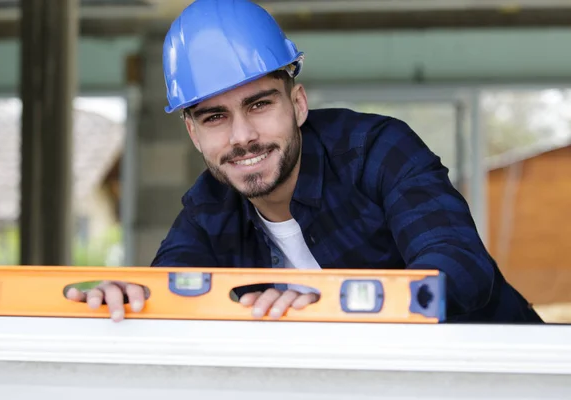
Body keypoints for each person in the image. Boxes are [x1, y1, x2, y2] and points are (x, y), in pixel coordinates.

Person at [66, 0, 543, 324]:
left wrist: (331, 302)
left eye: (259, 105)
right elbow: (171, 288)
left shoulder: (376, 150)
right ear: (194, 133)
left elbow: (459, 268)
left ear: (297, 104)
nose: (242, 136)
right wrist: (125, 300)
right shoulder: (207, 209)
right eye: (215, 117)